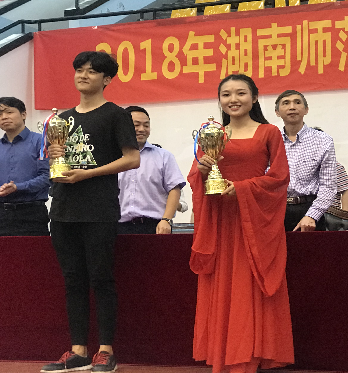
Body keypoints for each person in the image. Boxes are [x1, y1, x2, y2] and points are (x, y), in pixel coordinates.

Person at [188, 74, 294, 373]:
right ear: (219, 100)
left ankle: (256, 352)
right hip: (221, 221)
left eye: (241, 93)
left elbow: (280, 177)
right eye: (226, 94)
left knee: (251, 284)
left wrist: (244, 188)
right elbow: (195, 177)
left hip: (254, 220)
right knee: (224, 285)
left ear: (255, 97)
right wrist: (202, 169)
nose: (233, 99)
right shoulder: (212, 133)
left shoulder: (269, 132)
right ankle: (227, 352)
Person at [42, 51, 140, 373]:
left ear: (107, 79)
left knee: (101, 278)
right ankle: (78, 350)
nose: (83, 75)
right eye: (79, 70)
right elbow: (58, 159)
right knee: (73, 279)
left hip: (99, 207)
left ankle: (106, 351)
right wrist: (55, 154)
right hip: (63, 208)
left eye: (92, 71)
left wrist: (87, 174)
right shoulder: (63, 118)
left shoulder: (116, 115)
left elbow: (132, 158)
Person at [274, 90, 337, 232]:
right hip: (275, 209)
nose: (292, 107)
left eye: (297, 102)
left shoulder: (323, 140)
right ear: (277, 112)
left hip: (310, 209)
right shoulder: (271, 140)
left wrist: (312, 215)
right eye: (286, 103)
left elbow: (328, 186)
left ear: (306, 110)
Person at [117, 106, 185, 235]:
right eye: (136, 125)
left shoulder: (164, 156)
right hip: (118, 227)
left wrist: (166, 220)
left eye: (146, 125)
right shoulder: (111, 157)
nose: (142, 129)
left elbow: (174, 189)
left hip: (156, 227)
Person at [0, 97, 50, 236]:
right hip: (1, 214)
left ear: (23, 114)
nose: (4, 117)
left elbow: (47, 176)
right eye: (0, 114)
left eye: (9, 112)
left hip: (31, 213)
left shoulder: (41, 142)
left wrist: (18, 187)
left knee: (33, 250)